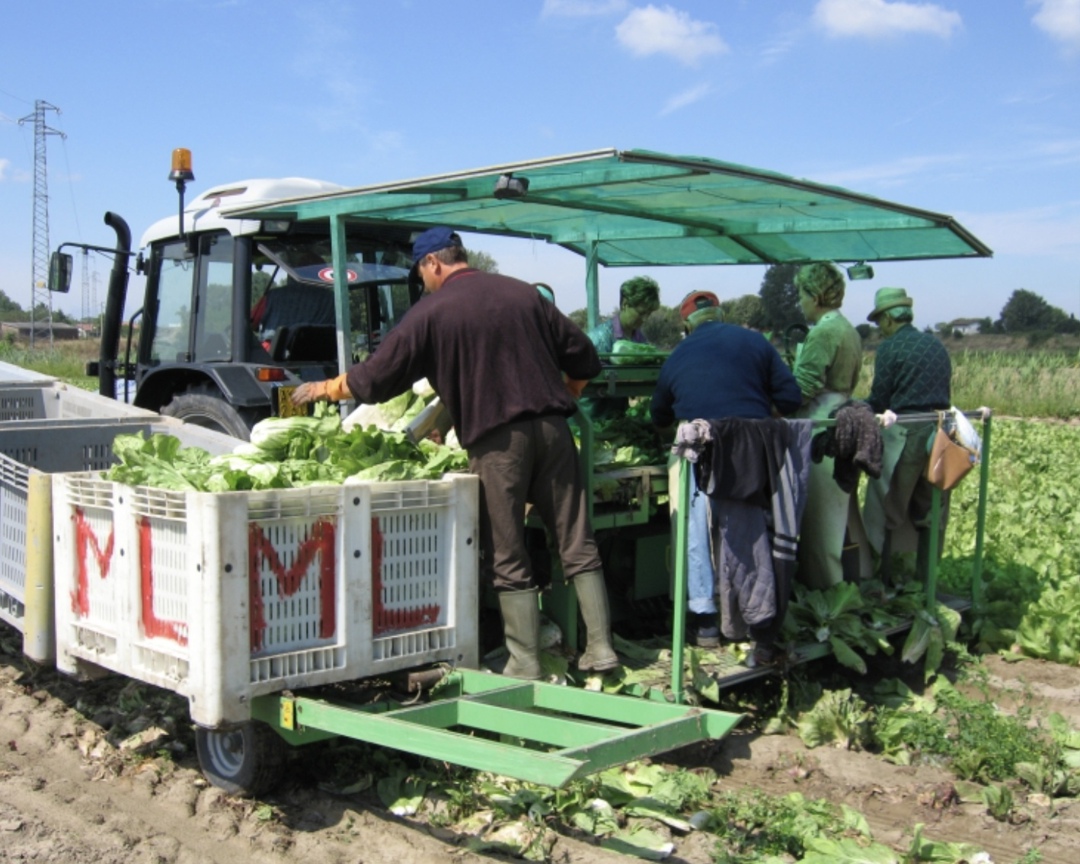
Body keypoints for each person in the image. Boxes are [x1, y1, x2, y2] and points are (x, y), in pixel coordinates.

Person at [291, 226, 619, 680]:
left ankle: (524, 661)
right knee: (576, 538)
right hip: (555, 431)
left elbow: (378, 377)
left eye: (421, 273)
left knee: (507, 550)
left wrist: (327, 388)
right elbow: (584, 355)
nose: (423, 282)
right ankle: (601, 647)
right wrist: (567, 393)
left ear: (433, 263)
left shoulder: (432, 312)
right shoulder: (523, 293)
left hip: (498, 443)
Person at [651, 291, 803, 655]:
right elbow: (791, 399)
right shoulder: (756, 343)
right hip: (750, 455)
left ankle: (705, 620)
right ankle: (756, 620)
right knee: (749, 535)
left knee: (695, 531)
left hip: (699, 455)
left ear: (687, 325)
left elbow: (659, 416)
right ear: (721, 316)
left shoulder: (678, 355)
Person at [861, 287, 952, 581]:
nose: (880, 327)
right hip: (940, 433)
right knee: (930, 511)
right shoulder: (936, 345)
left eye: (880, 321)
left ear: (888, 319)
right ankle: (926, 581)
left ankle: (883, 580)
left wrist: (855, 407)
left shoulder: (890, 348)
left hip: (907, 434)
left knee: (886, 508)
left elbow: (880, 399)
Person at [790, 262, 870, 589]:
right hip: (844, 414)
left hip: (822, 424)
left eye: (801, 295)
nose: (800, 303)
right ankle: (850, 580)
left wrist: (773, 405)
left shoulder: (823, 332)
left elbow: (803, 387)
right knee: (840, 516)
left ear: (816, 296)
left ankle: (824, 590)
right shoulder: (849, 329)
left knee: (820, 522)